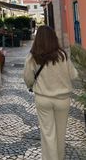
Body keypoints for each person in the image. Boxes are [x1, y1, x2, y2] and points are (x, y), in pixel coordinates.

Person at [23, 25, 78, 160]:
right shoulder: (62, 55)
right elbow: (74, 75)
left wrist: (32, 85)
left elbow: (27, 77)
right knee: (60, 133)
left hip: (43, 99)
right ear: (54, 38)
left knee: (48, 133)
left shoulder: (34, 56)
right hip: (63, 100)